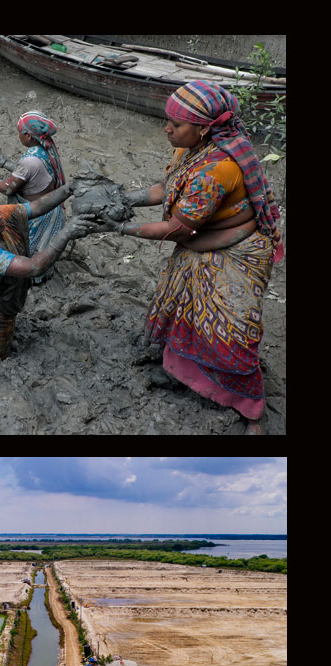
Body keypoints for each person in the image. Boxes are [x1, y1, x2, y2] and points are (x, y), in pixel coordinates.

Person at [106, 81, 281, 434]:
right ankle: (188, 369)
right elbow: (165, 188)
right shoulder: (189, 150)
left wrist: (120, 228)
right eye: (167, 119)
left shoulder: (216, 170)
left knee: (233, 333)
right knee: (187, 309)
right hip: (203, 241)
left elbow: (179, 230)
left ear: (204, 128)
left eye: (176, 124)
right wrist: (124, 200)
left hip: (236, 251)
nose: (166, 128)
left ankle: (252, 413)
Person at [0, 192, 97, 358]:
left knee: (5, 332)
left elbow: (36, 207)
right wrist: (66, 233)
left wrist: (70, 189)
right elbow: (34, 267)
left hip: (3, 303)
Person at [0, 112, 68, 284]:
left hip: (39, 213)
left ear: (28, 136)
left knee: (31, 253)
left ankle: (33, 279)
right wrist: (6, 164)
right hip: (52, 207)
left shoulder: (29, 161)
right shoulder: (46, 148)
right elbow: (31, 174)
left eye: (19, 132)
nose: (18, 135)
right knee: (45, 249)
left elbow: (8, 189)